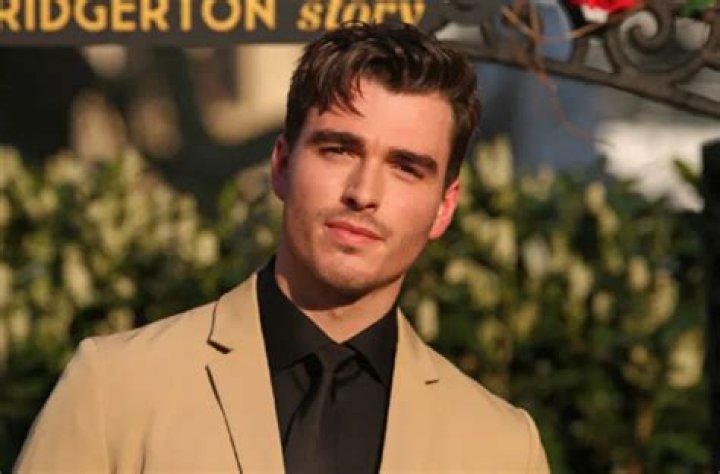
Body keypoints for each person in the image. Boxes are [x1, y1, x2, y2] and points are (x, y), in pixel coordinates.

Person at [16, 22, 549, 473]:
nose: (364, 192)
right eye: (339, 149)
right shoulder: (114, 388)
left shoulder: (502, 448)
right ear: (281, 164)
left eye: (406, 167)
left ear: (445, 207)